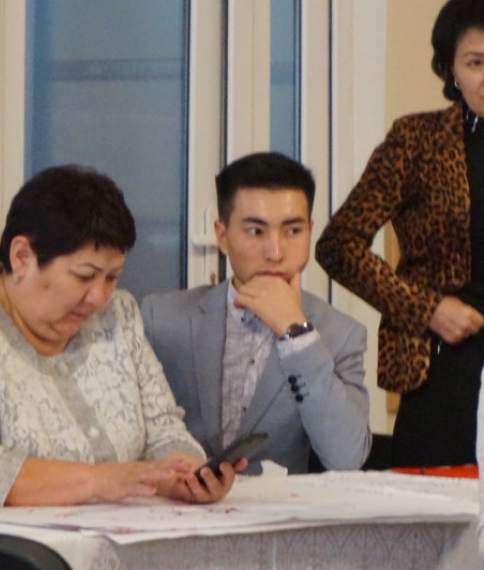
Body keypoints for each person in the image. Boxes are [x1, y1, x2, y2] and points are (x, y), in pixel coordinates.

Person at [0, 165, 244, 507]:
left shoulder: (118, 315)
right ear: (22, 257)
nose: (98, 297)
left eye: (112, 277)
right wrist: (99, 480)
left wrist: (186, 475)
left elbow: (163, 429)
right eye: (85, 276)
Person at [315, 0, 484, 467]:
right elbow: (338, 245)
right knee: (434, 501)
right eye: (475, 63)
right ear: (451, 70)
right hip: (445, 362)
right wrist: (426, 309)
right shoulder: (417, 141)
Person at [141, 152, 371, 474]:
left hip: (278, 504)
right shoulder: (161, 319)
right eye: (255, 232)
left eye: (293, 231)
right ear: (222, 236)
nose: (275, 252)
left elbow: (346, 458)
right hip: (174, 500)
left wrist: (296, 333)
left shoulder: (341, 334)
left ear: (310, 231)